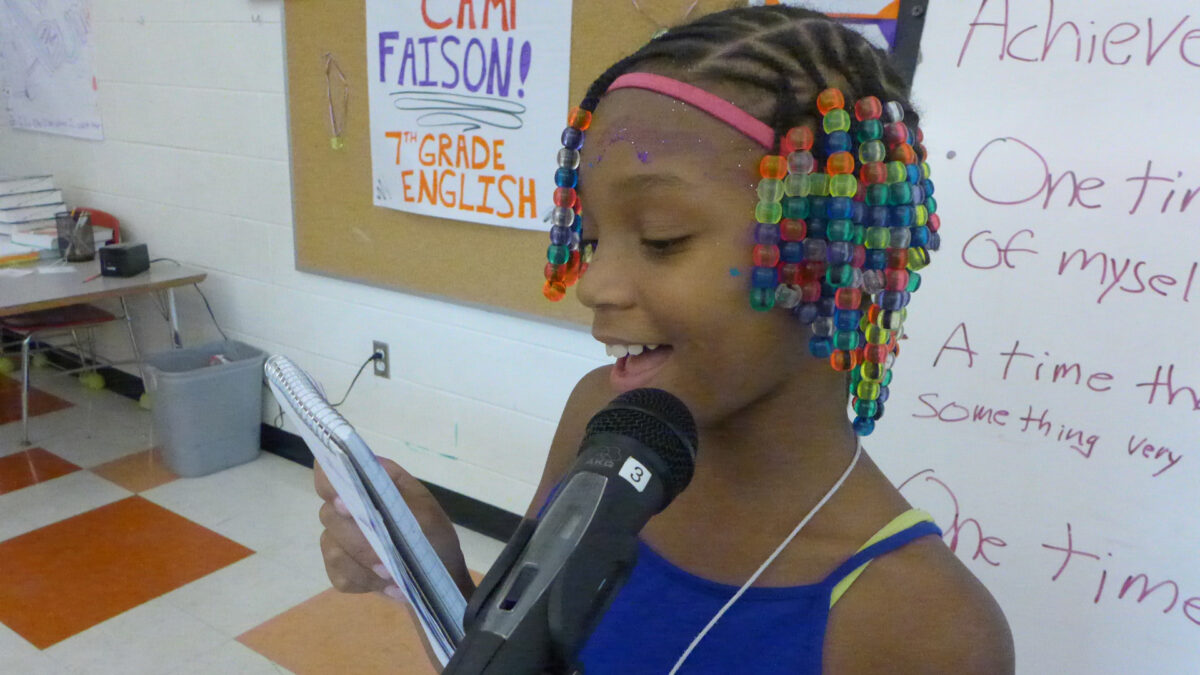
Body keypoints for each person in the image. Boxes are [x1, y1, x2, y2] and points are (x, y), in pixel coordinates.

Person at [317, 5, 1014, 673]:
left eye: (661, 238)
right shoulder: (605, 420)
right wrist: (433, 577)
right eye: (590, 239)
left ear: (833, 251)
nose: (594, 285)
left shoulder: (921, 624)